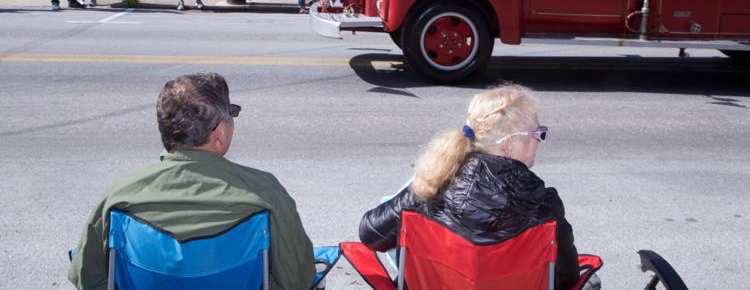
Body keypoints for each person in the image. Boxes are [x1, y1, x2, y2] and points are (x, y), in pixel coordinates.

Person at [68, 72, 316, 289]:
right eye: (232, 113)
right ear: (219, 131)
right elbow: (297, 280)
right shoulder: (265, 193)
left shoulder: (119, 195)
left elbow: (86, 277)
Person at [359, 85, 583, 290]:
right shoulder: (544, 204)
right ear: (510, 144)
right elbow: (568, 278)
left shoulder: (434, 183)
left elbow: (370, 234)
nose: (540, 140)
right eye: (539, 134)